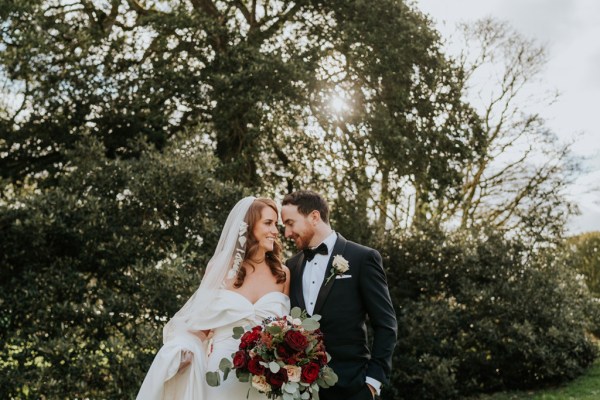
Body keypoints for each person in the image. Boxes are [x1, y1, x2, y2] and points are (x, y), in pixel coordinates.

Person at [137, 196, 291, 400]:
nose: (275, 231)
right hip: (221, 376)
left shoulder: (283, 274)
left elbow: (285, 329)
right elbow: (201, 326)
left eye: (276, 224)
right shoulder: (220, 269)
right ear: (249, 225)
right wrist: (184, 350)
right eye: (268, 223)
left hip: (266, 380)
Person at [281, 191, 397, 400]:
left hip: (353, 388)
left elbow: (386, 325)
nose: (287, 233)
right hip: (302, 391)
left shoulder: (363, 258)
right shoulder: (291, 266)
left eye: (290, 223)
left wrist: (372, 383)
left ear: (314, 217)